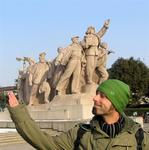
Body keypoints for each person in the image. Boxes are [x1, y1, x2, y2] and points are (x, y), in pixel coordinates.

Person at [7, 79, 149, 150]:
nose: (95, 98)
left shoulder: (139, 137)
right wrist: (19, 113)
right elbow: (47, 143)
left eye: (102, 96)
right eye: (96, 94)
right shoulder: (80, 133)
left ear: (117, 104)